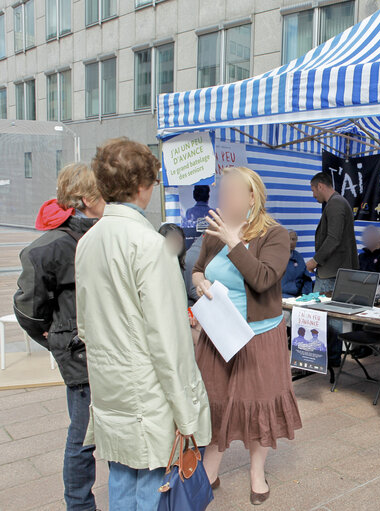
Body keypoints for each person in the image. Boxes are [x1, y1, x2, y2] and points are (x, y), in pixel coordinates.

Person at [75, 138, 211, 511]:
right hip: (147, 388)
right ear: (143, 186)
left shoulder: (88, 241)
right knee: (155, 483)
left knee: (121, 478)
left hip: (108, 381)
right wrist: (186, 413)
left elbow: (84, 323)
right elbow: (169, 340)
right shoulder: (151, 246)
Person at [192, 166, 302, 506]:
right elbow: (198, 269)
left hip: (258, 338)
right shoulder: (214, 232)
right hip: (217, 335)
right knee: (215, 402)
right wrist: (199, 282)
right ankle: (210, 467)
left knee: (258, 406)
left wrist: (234, 243)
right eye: (221, 193)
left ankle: (257, 471)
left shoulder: (275, 234)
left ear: (252, 196)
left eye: (231, 193)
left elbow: (263, 279)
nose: (223, 200)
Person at [13, 163, 105, 511]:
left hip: (110, 349)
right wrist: (56, 338)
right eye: (103, 193)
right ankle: (79, 506)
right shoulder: (46, 249)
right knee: (83, 438)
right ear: (86, 198)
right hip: (81, 355)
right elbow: (28, 310)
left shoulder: (103, 233)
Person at [306, 172, 358, 367]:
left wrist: (315, 261)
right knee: (332, 316)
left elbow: (333, 239)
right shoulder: (340, 203)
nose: (313, 195)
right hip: (335, 270)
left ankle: (323, 358)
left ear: (320, 186)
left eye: (312, 190)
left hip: (332, 271)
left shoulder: (335, 204)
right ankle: (331, 358)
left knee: (318, 314)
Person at [282, 229, 313, 297]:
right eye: (288, 239)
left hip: (297, 296)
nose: (291, 242)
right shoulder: (276, 257)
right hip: (280, 295)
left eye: (294, 239)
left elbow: (306, 279)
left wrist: (305, 295)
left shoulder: (298, 257)